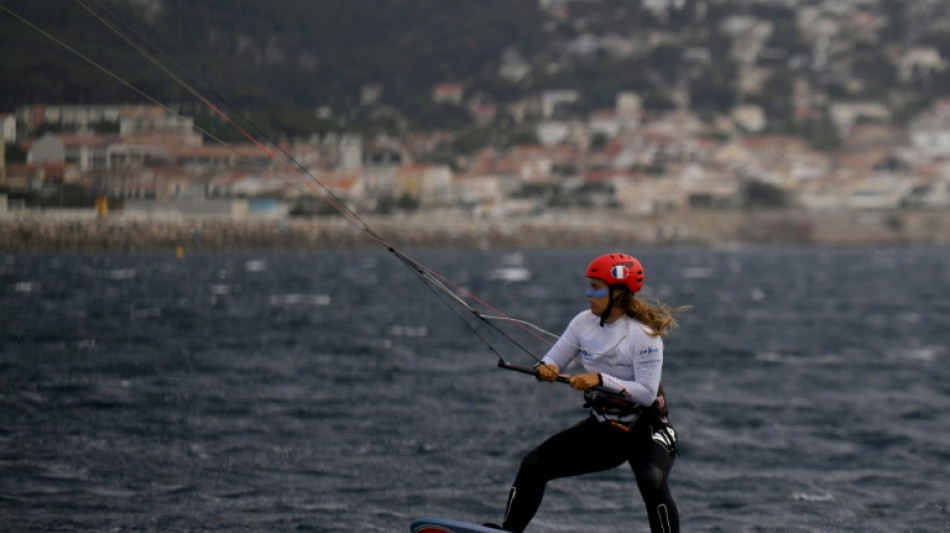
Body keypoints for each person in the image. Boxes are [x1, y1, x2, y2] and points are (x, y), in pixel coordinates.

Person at [487, 252, 683, 533]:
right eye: (589, 286)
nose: (588, 293)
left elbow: (646, 394)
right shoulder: (582, 323)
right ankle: (508, 531)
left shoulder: (644, 335)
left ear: (618, 293)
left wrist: (598, 380)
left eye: (596, 288)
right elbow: (553, 359)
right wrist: (547, 369)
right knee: (533, 464)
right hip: (606, 430)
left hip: (647, 430)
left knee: (651, 480)